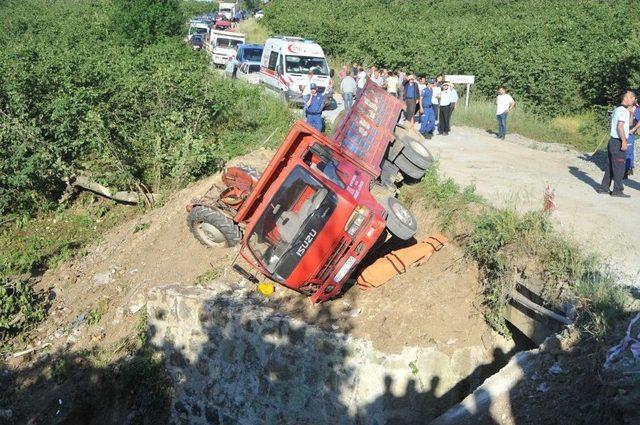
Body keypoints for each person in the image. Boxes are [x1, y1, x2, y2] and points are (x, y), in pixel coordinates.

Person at [600, 90, 636, 197]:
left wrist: (631, 111)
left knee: (610, 166)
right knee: (620, 167)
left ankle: (604, 188)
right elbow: (620, 126)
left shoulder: (620, 109)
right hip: (618, 141)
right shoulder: (621, 111)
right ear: (625, 98)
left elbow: (629, 123)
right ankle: (617, 190)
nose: (633, 99)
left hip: (613, 141)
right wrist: (624, 141)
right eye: (632, 97)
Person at [625, 97, 640, 178]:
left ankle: (628, 169)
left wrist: (633, 129)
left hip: (630, 132)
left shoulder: (637, 109)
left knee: (629, 151)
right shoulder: (623, 107)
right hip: (621, 132)